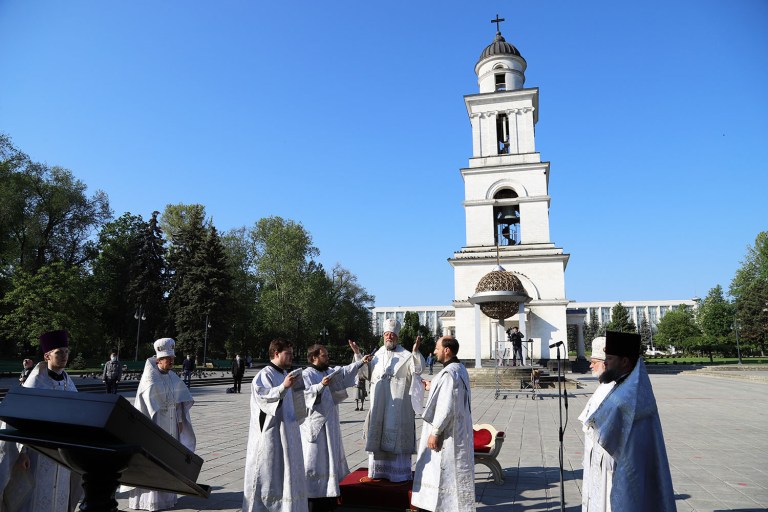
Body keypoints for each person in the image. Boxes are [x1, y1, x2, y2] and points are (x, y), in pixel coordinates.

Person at [584, 331, 676, 512]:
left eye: (609, 358)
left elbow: (607, 430)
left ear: (625, 361)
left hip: (627, 465)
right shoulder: (625, 384)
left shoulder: (627, 396)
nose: (606, 363)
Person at [6, 330, 83, 512]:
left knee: (60, 496)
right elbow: (21, 421)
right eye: (59, 352)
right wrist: (22, 452)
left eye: (66, 352)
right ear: (47, 355)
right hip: (38, 453)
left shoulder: (69, 384)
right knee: (37, 496)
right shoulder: (34, 385)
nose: (64, 356)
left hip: (63, 451)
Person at [300, 341, 371, 512]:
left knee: (330, 460)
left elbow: (345, 372)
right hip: (315, 426)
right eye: (324, 355)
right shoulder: (306, 374)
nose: (327, 357)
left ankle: (329, 496)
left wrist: (361, 360)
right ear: (313, 357)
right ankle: (312, 498)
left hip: (330, 424)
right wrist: (321, 386)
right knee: (314, 462)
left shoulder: (328, 371)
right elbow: (304, 396)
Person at [127, 338, 196, 511]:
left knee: (168, 459)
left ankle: (166, 498)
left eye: (173, 359)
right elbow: (145, 407)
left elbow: (180, 401)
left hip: (172, 425)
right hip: (156, 424)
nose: (172, 362)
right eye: (169, 359)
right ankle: (148, 500)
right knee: (154, 459)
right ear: (159, 360)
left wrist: (181, 421)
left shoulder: (173, 376)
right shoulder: (149, 379)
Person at [242, 338, 308, 512]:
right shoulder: (265, 374)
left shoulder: (286, 374)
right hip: (272, 435)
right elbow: (263, 398)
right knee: (270, 475)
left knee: (287, 474)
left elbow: (295, 401)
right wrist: (283, 387)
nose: (291, 357)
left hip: (289, 432)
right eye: (288, 353)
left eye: (292, 353)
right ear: (276, 353)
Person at [411, 336, 474, 512]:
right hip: (460, 430)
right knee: (454, 474)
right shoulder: (459, 369)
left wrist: (435, 432)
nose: (435, 351)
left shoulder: (448, 373)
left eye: (438, 347)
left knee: (443, 473)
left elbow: (446, 406)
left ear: (447, 350)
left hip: (447, 434)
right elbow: (450, 392)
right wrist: (433, 385)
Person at [362, 318, 424, 482]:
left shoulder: (406, 355)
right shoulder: (376, 355)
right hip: (379, 404)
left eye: (392, 334)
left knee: (396, 436)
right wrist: (359, 357)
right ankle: (377, 472)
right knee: (378, 433)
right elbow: (364, 374)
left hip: (399, 406)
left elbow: (418, 370)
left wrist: (416, 351)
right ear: (383, 336)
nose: (389, 337)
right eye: (386, 334)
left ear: (397, 336)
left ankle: (398, 474)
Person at [577, 336, 615, 512]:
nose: (590, 366)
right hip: (596, 455)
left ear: (605, 364)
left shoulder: (612, 388)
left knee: (605, 497)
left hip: (606, 457)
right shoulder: (604, 386)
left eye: (594, 362)